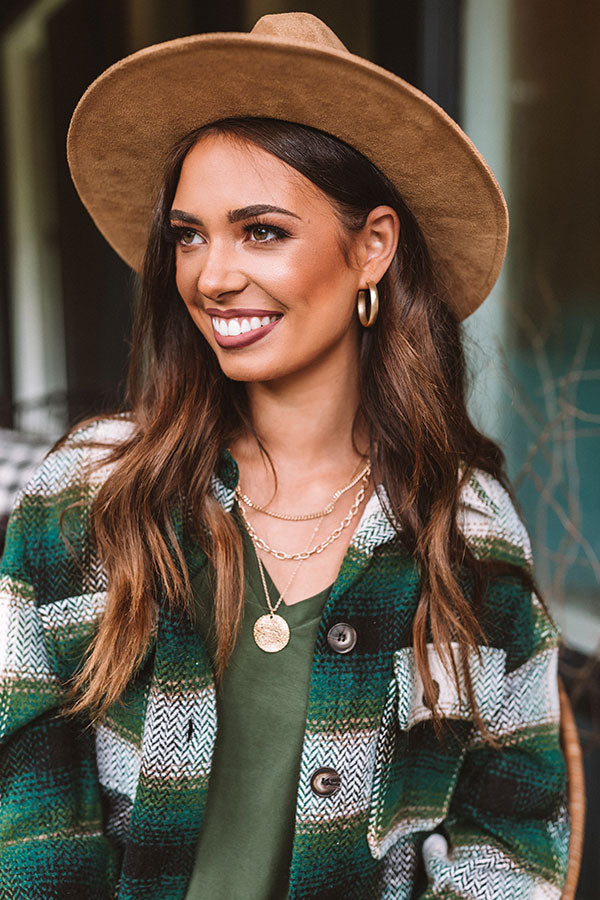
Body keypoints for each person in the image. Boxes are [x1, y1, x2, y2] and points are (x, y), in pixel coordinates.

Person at [0, 12, 569, 900]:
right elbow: (26, 799)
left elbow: (513, 833)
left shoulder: (466, 536)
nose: (212, 275)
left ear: (371, 246)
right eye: (189, 234)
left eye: (260, 230)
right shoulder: (90, 497)